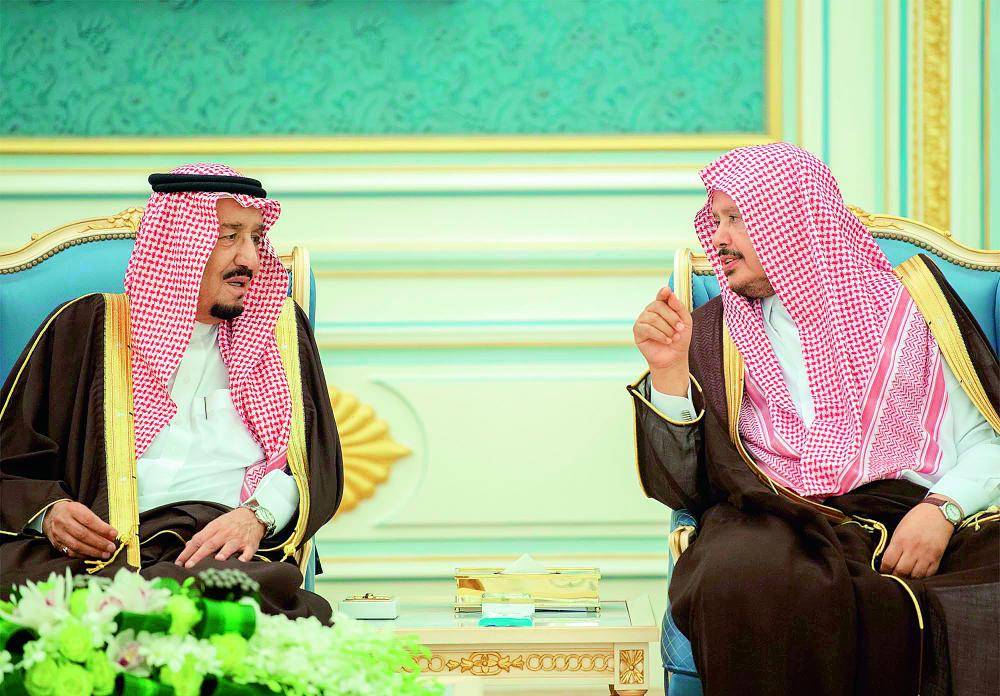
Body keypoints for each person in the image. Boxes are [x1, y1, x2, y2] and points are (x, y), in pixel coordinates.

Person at [629, 143, 998, 696]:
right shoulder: (713, 333)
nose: (719, 237)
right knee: (740, 577)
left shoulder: (915, 311)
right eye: (716, 219)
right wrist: (668, 373)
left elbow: (987, 439)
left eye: (736, 218)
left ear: (795, 222)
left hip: (912, 511)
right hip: (775, 521)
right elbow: (680, 488)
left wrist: (942, 511)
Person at [1, 163, 343, 621]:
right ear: (179, 244)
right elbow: (10, 460)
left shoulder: (279, 332)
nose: (251, 259)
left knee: (220, 599)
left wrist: (257, 516)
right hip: (95, 551)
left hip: (213, 549)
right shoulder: (85, 328)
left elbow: (315, 461)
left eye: (256, 238)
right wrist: (51, 512)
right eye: (229, 237)